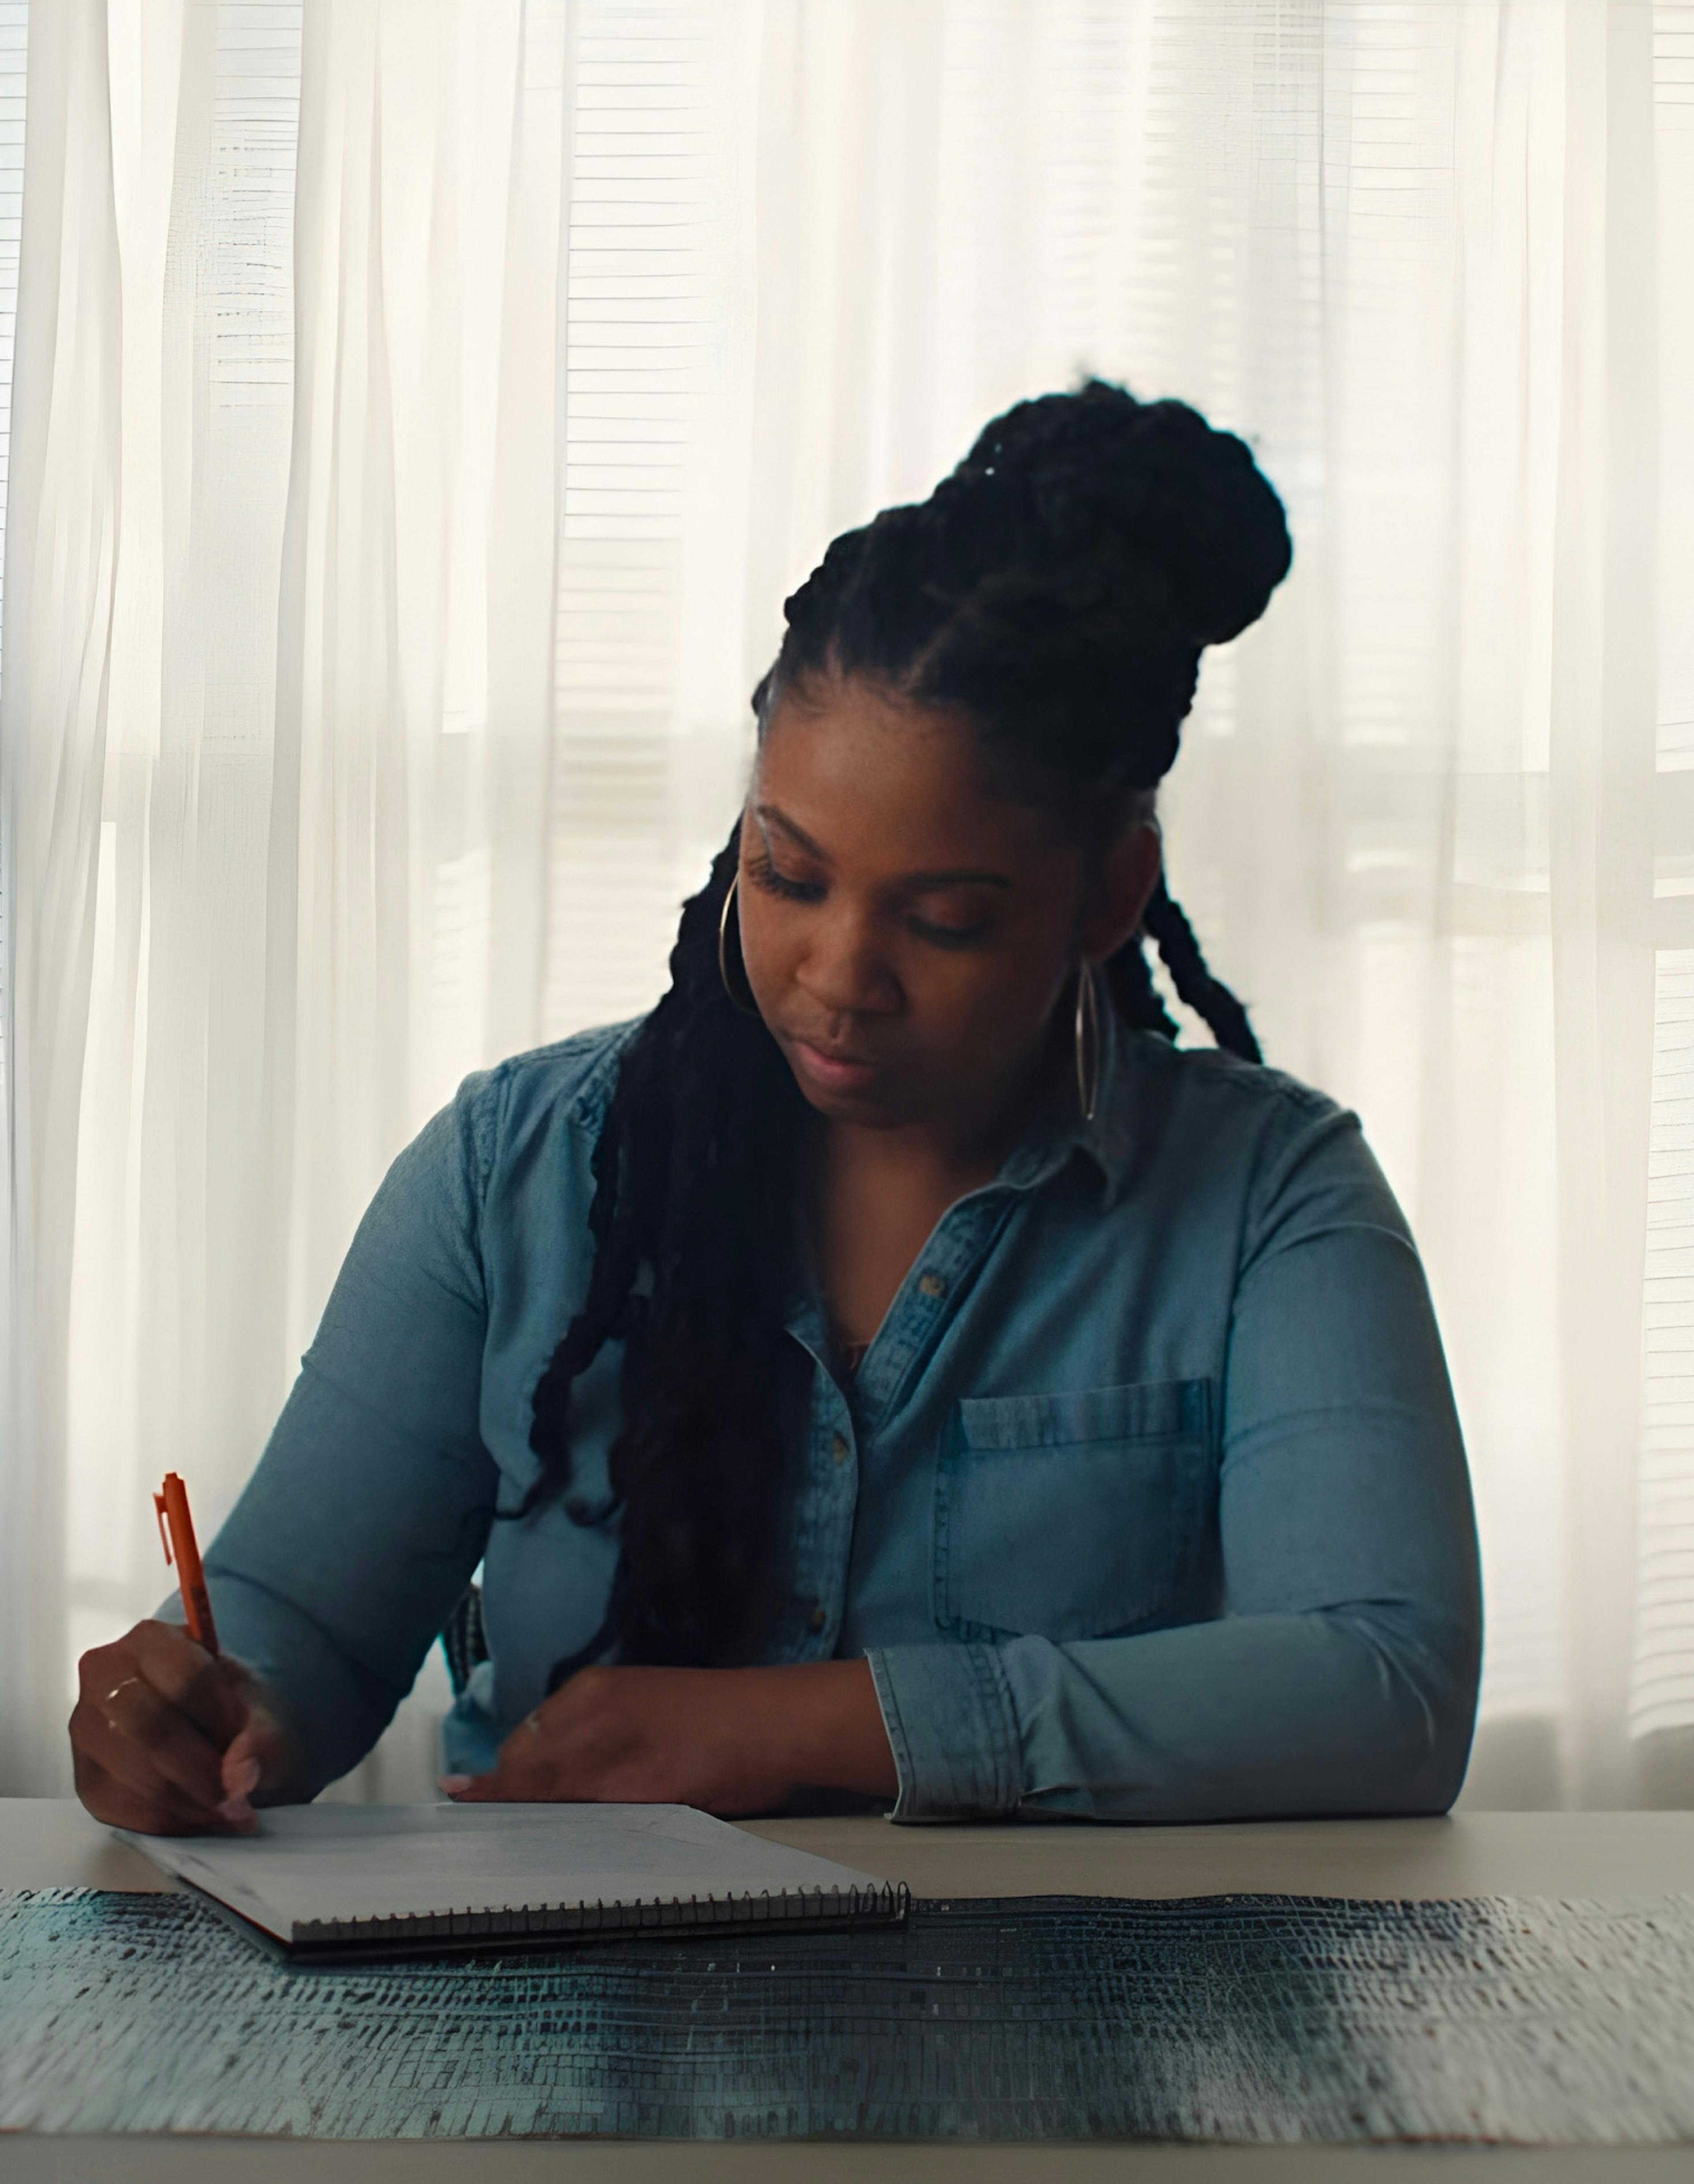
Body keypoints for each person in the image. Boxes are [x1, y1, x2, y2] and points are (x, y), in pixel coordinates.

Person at [71, 378, 1482, 1836]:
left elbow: (1388, 1692)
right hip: (546, 2040)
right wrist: (204, 1713)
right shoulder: (519, 1173)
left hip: (1059, 2033)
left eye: (943, 920)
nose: (838, 975)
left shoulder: (1269, 1198)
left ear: (1107, 900)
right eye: (790, 876)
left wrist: (815, 1726)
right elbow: (297, 1622)